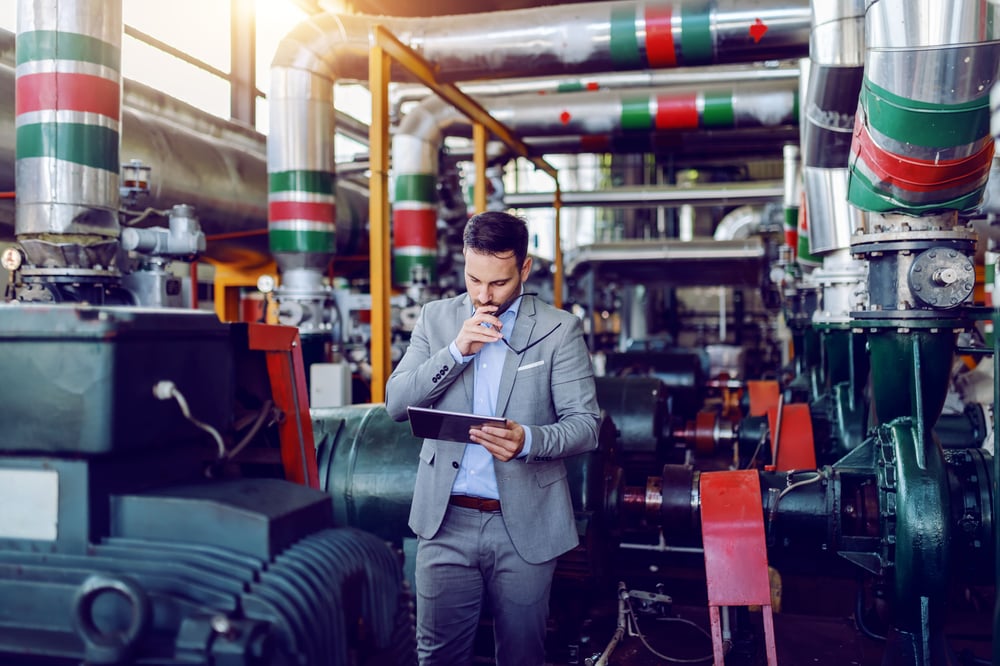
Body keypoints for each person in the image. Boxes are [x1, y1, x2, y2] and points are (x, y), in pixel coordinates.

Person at [385, 210, 600, 666]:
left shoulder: (558, 329)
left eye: (498, 283)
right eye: (473, 279)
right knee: (437, 657)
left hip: (524, 523)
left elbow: (586, 424)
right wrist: (455, 351)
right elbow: (395, 402)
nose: (483, 295)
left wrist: (530, 440)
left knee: (523, 656)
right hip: (444, 521)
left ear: (524, 268)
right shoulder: (436, 318)